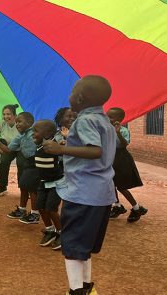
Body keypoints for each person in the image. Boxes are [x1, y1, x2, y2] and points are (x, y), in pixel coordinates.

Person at [43, 75, 116, 295]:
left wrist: (60, 149)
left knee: (73, 246)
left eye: (72, 92)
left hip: (83, 193)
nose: (70, 95)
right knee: (83, 247)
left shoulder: (84, 121)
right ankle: (86, 288)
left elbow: (95, 150)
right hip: (101, 193)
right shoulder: (105, 121)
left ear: (80, 98)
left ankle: (76, 292)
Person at [0, 112, 40, 224]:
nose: (17, 125)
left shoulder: (36, 132)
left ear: (30, 123)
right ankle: (22, 210)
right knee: (23, 185)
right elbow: (7, 150)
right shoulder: (20, 136)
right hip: (28, 163)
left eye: (19, 122)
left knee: (32, 188)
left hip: (36, 163)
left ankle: (35, 214)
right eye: (16, 123)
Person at [106, 108, 148, 222]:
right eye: (107, 116)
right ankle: (118, 206)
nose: (107, 118)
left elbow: (124, 144)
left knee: (121, 186)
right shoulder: (106, 130)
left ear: (119, 119)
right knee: (110, 184)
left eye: (111, 117)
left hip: (121, 160)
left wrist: (118, 132)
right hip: (110, 159)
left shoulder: (123, 130)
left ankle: (136, 208)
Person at [32, 120, 64, 250]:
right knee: (40, 206)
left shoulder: (53, 146)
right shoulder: (39, 145)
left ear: (48, 134)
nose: (32, 134)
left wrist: (63, 144)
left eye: (35, 131)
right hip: (43, 183)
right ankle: (50, 230)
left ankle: (62, 233)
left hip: (57, 184)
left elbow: (63, 152)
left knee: (51, 208)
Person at [0, 104, 20, 196]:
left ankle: (24, 188)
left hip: (20, 148)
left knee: (22, 164)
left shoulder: (19, 124)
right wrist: (2, 147)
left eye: (8, 114)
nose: (6, 117)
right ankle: (2, 187)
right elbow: (1, 137)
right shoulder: (1, 124)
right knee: (3, 162)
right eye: (4, 114)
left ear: (15, 115)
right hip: (7, 148)